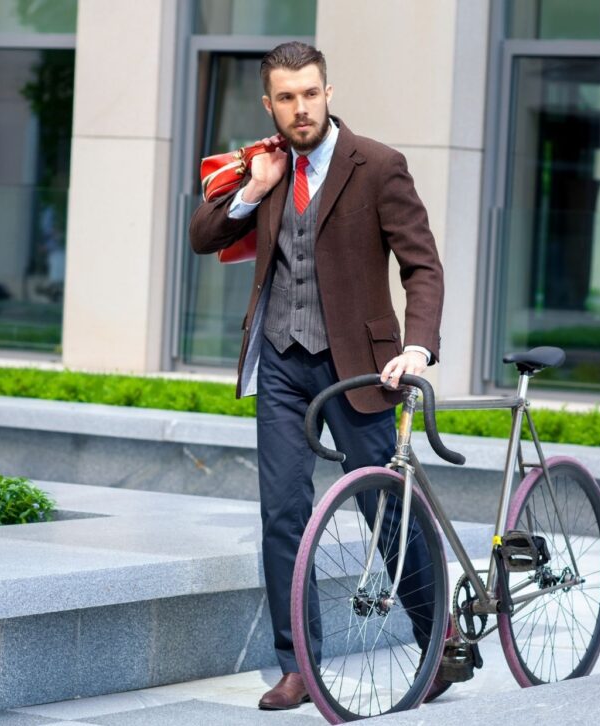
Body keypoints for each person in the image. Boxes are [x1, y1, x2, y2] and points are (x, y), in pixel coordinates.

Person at [189, 41, 445, 710]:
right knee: (282, 515)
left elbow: (423, 267)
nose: (300, 108)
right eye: (286, 97)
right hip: (280, 362)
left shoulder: (378, 166)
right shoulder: (266, 164)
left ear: (328, 93)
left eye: (310, 93)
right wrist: (254, 188)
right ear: (268, 103)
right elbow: (203, 234)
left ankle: (437, 640)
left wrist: (417, 347)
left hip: (359, 370)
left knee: (382, 509)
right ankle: (299, 664)